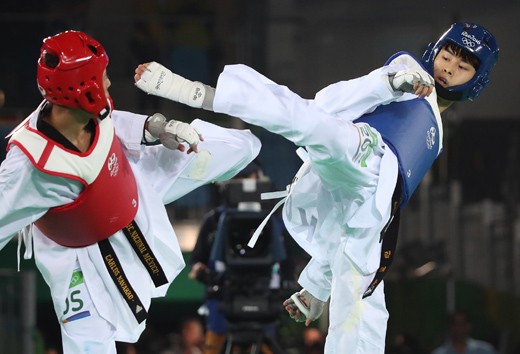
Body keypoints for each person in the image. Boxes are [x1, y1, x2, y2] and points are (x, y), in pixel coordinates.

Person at [133, 22, 499, 353]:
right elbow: (326, 104)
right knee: (314, 123)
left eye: (462, 66)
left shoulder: (436, 137)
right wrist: (390, 82)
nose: (449, 67)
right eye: (448, 55)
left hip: (377, 197)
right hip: (366, 149)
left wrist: (316, 288)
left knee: (364, 288)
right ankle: (206, 95)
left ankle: (319, 293)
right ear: (436, 50)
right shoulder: (408, 70)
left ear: (475, 81)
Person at [0, 30, 261, 354]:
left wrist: (157, 126)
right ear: (82, 89)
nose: (109, 84)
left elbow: (114, 123)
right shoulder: (26, 166)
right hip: (75, 248)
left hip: (131, 182)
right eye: (102, 78)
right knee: (91, 345)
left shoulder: (82, 107)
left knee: (244, 146)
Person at [188, 161, 295, 354]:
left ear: (257, 177)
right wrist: (200, 271)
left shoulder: (275, 221)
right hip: (223, 300)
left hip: (264, 298)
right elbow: (197, 261)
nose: (240, 182)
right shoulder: (213, 220)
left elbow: (287, 264)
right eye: (236, 178)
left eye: (245, 177)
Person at [432, 310, 496, 354]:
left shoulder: (484, 350)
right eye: (456, 324)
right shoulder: (439, 353)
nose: (459, 327)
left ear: (469, 326)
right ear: (450, 327)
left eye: (462, 324)